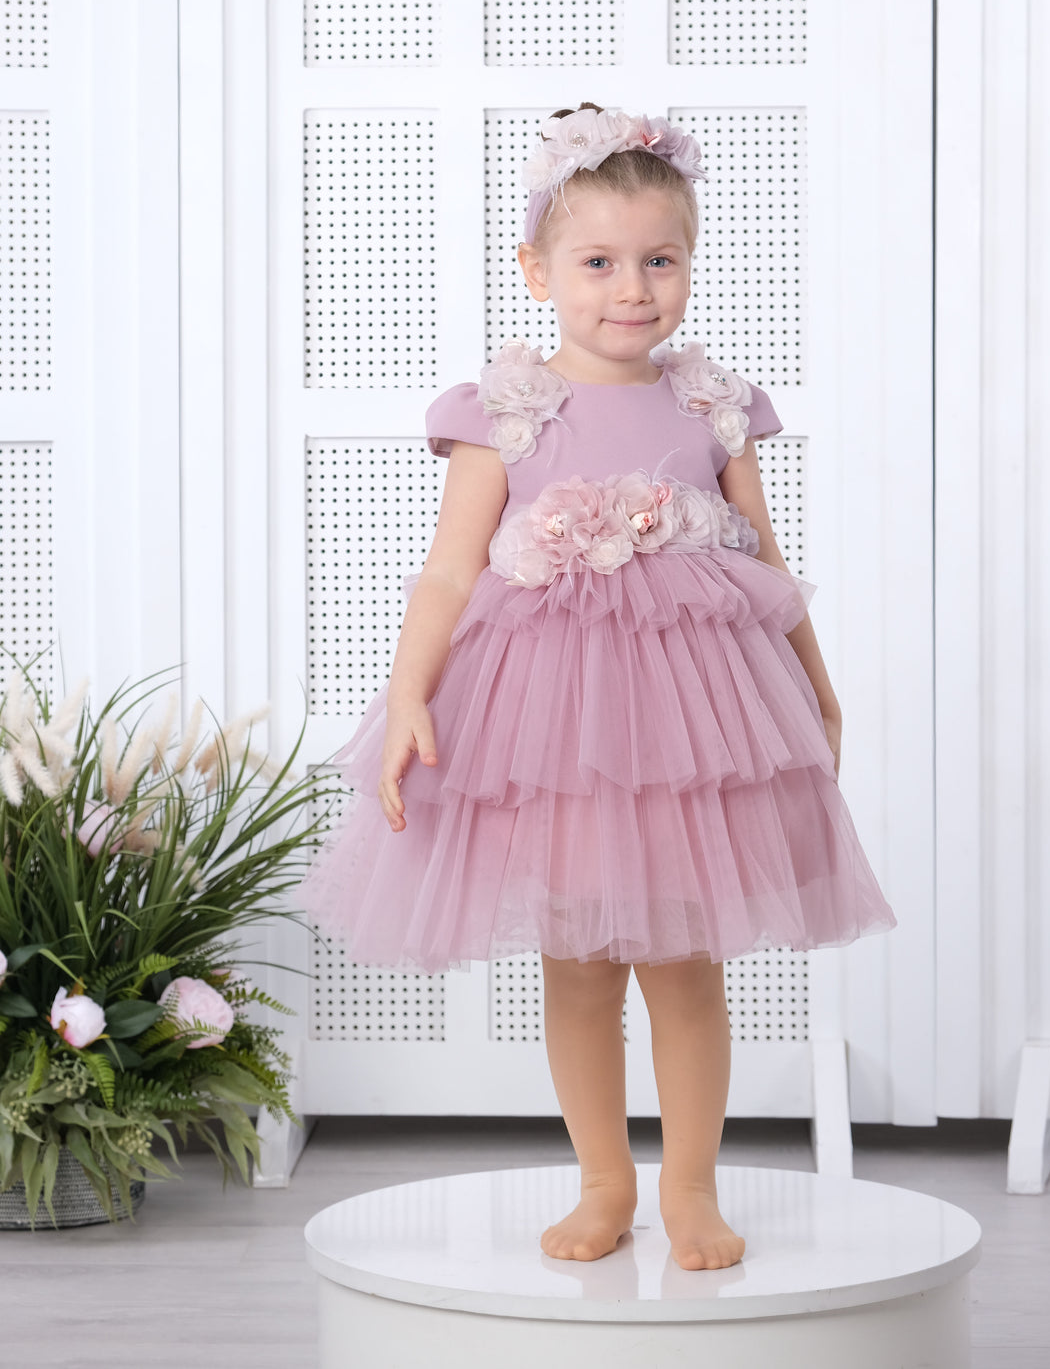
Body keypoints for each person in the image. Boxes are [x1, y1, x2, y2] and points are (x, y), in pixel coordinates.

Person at [298, 103, 897, 1272]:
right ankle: (601, 1180)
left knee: (683, 961)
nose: (632, 288)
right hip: (549, 735)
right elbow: (446, 573)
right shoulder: (507, 415)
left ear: (689, 263)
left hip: (691, 730)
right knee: (575, 965)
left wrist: (814, 686)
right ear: (536, 271)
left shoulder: (709, 406)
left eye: (659, 260)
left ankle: (688, 1187)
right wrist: (409, 695)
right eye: (599, 262)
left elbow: (763, 564)